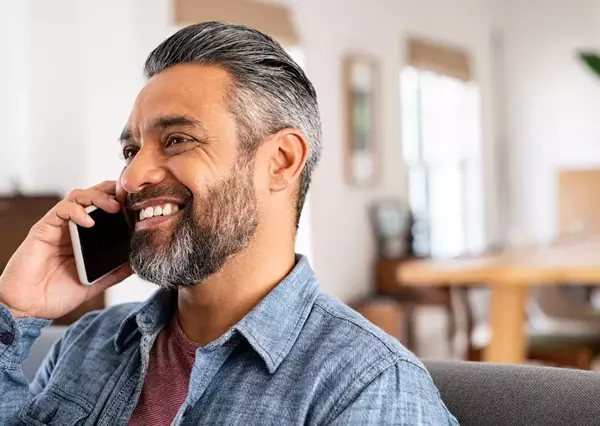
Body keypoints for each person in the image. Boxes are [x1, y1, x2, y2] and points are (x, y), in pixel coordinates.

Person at [0, 22, 458, 425]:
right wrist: (15, 309)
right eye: (130, 151)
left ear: (281, 161)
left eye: (177, 140)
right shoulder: (85, 345)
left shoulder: (367, 386)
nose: (133, 177)